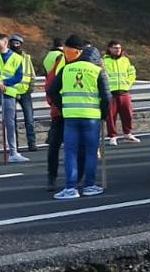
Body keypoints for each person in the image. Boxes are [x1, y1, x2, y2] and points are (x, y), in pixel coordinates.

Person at [48, 39, 110, 199]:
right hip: (91, 117)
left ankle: (70, 188)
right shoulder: (97, 71)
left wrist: (63, 108)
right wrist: (104, 114)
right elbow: (107, 97)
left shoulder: (67, 69)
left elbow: (52, 91)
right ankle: (89, 185)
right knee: (90, 152)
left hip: (70, 117)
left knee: (70, 152)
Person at [0, 33, 28, 166]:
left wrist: (5, 83)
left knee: (10, 123)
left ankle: (13, 153)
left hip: (9, 93)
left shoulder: (16, 58)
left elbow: (18, 76)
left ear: (5, 43)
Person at [103, 40, 139, 145]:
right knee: (111, 116)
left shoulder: (125, 60)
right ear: (109, 49)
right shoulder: (104, 61)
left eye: (119, 48)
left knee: (127, 114)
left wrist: (128, 83)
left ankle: (128, 133)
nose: (118, 50)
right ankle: (112, 136)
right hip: (111, 93)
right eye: (115, 48)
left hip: (124, 91)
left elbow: (132, 73)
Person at [8, 34, 37, 153]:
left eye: (17, 43)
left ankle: (32, 143)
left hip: (25, 92)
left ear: (21, 44)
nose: (15, 45)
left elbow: (31, 73)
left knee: (29, 119)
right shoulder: (6, 57)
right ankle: (15, 145)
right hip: (11, 92)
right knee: (11, 120)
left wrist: (31, 86)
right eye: (13, 43)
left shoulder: (26, 58)